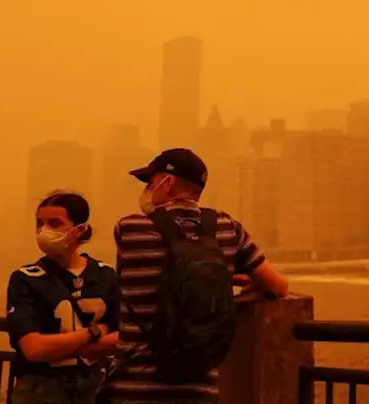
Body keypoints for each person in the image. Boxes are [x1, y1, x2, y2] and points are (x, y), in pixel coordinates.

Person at [105, 148, 291, 403]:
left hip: (134, 387)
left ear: (167, 183)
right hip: (199, 389)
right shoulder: (227, 228)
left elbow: (155, 270)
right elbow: (278, 286)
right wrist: (233, 278)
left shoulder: (129, 229)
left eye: (150, 183)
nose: (147, 191)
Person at [6, 191, 122, 404]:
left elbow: (123, 338)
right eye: (39, 223)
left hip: (95, 387)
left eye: (54, 223)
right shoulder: (26, 278)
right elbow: (34, 349)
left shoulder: (106, 275)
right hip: (40, 390)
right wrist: (95, 332)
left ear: (79, 230)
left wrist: (61, 346)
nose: (43, 231)